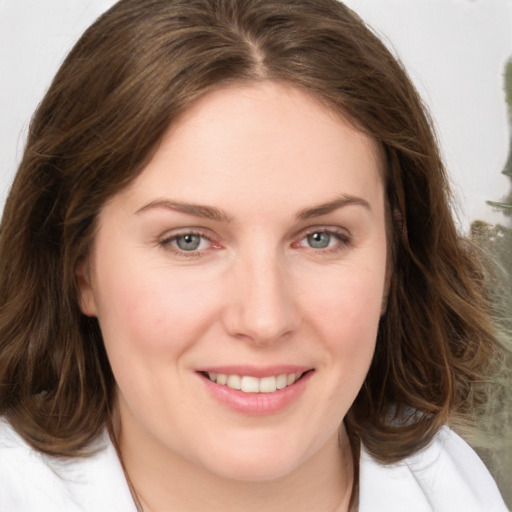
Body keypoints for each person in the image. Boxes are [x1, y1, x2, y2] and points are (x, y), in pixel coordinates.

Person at [0, 0, 509, 511]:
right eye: (188, 240)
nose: (265, 320)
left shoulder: (456, 486)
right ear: (79, 265)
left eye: (321, 238)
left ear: (393, 260)